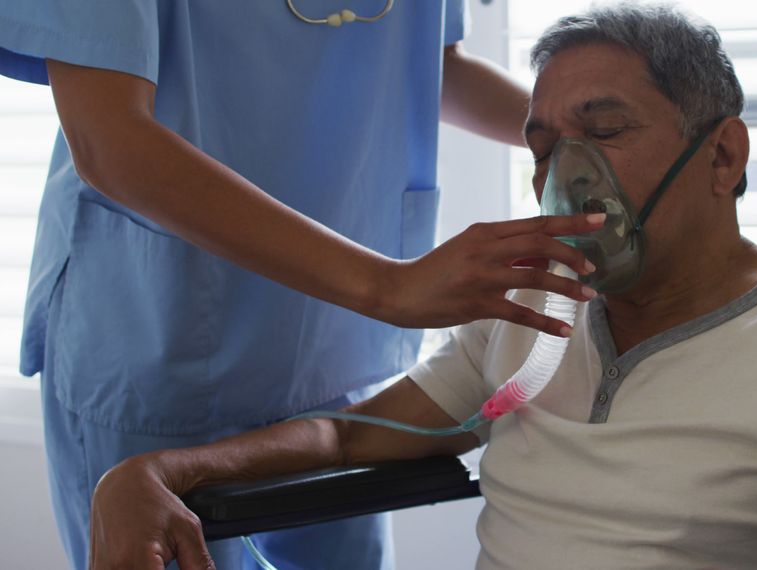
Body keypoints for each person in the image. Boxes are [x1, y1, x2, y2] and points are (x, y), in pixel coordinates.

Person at [88, 4, 757, 569]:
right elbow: (349, 432)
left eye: (603, 131)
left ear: (722, 155)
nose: (566, 173)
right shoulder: (530, 318)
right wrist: (160, 470)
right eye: (540, 146)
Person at [0, 2, 605, 569]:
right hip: (159, 339)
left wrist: (592, 138)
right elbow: (109, 140)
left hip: (332, 351)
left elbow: (434, 67)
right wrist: (387, 286)